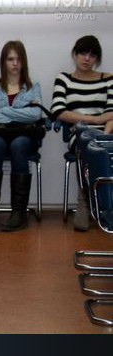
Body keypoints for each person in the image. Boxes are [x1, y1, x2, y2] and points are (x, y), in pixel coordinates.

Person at [50, 35, 113, 231]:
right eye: (83, 53)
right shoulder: (64, 79)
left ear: (97, 59)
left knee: (100, 147)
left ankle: (100, 204)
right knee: (88, 142)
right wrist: (94, 120)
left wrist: (104, 136)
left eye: (92, 55)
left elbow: (112, 113)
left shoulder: (108, 79)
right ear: (75, 54)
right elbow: (58, 111)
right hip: (79, 133)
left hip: (107, 133)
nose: (87, 58)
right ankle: (87, 201)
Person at [0, 41, 42, 232]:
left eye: (19, 59)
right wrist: (19, 113)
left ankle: (19, 213)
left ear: (24, 62)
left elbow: (35, 115)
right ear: (3, 62)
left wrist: (4, 111)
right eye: (10, 59)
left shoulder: (33, 87)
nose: (15, 63)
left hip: (25, 136)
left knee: (18, 145)